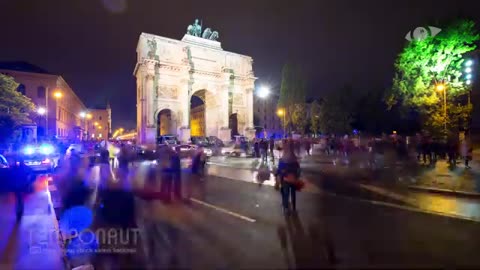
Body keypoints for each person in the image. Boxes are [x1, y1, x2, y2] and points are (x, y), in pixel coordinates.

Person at [276, 140, 301, 215]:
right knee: (293, 194)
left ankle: (286, 208)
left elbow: (279, 169)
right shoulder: (294, 158)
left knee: (285, 193)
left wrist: (278, 175)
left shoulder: (283, 159)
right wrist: (296, 176)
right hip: (293, 180)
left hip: (285, 179)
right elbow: (298, 169)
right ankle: (293, 208)